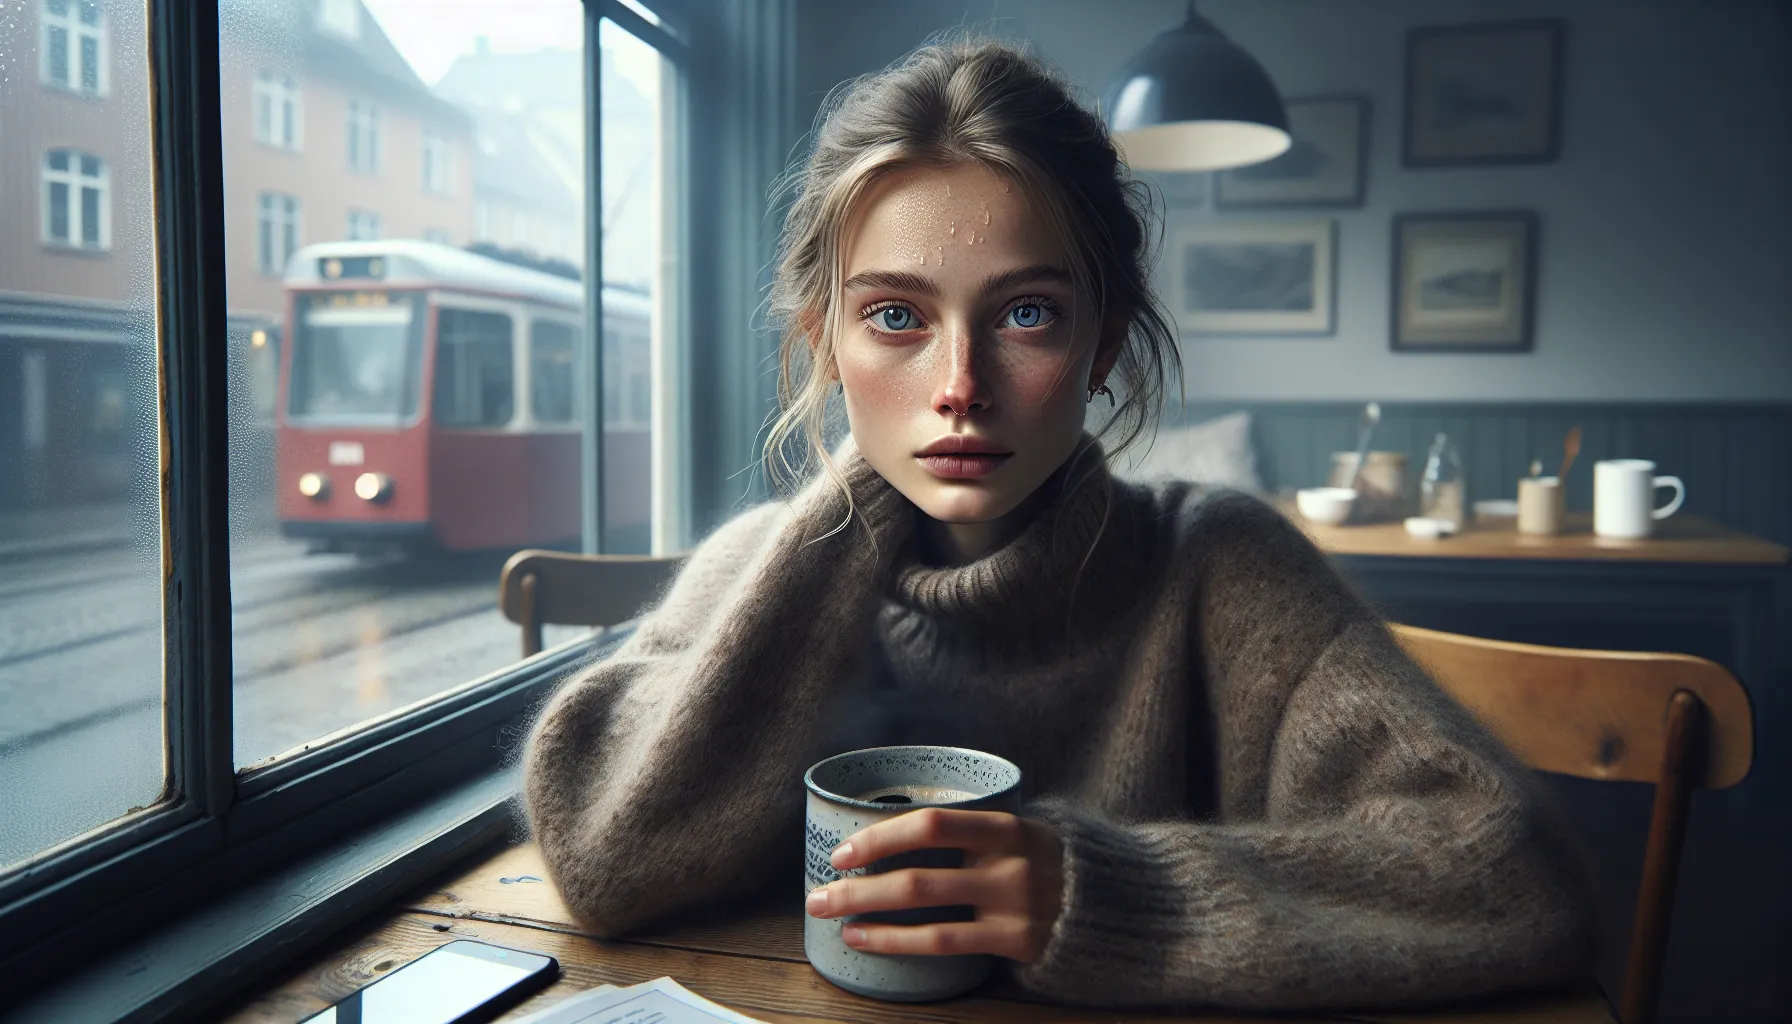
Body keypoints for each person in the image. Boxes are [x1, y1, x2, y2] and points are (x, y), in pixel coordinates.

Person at [522, 36, 1597, 1012]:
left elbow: (1507, 870)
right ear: (824, 346)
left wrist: (1104, 897)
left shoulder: (1217, 569)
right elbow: (604, 859)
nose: (958, 385)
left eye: (1024, 313)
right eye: (894, 317)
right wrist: (846, 509)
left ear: (1099, 344)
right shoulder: (761, 568)